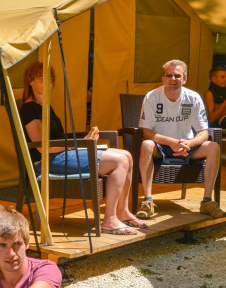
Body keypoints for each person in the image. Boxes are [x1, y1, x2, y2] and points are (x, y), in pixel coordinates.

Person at [18, 61, 146, 235]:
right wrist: (77, 144)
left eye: (50, 78)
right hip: (47, 162)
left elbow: (58, 140)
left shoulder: (45, 107)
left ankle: (121, 212)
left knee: (127, 155)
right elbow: (42, 146)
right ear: (30, 81)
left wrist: (83, 140)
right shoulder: (29, 109)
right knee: (120, 160)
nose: (47, 81)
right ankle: (109, 220)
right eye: (42, 78)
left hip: (61, 155)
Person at [136, 59, 226, 220]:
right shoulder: (152, 97)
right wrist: (170, 142)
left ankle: (207, 202)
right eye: (169, 75)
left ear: (184, 78)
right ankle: (148, 201)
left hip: (187, 146)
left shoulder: (193, 98)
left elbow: (203, 132)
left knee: (213, 147)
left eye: (177, 76)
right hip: (161, 146)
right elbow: (146, 131)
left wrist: (189, 143)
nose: (173, 79)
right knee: (146, 145)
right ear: (163, 79)